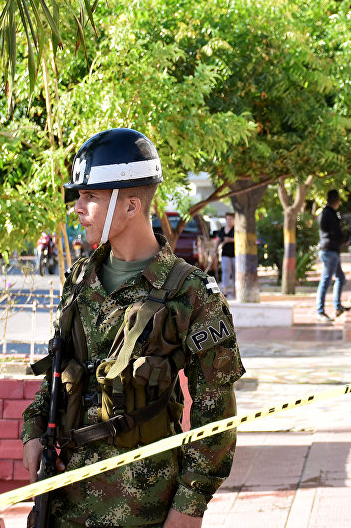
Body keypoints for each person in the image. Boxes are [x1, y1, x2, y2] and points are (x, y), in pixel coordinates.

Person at [21, 128, 245, 528]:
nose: (77, 207)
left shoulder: (190, 292)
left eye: (90, 197)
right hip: (64, 501)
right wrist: (33, 428)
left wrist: (189, 505)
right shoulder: (80, 278)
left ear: (130, 206)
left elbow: (217, 412)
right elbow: (60, 366)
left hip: (144, 506)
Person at [315, 189, 350, 322]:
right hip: (329, 250)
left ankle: (337, 306)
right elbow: (333, 232)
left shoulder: (329, 213)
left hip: (332, 250)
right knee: (326, 280)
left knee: (340, 277)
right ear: (336, 201)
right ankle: (320, 311)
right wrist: (343, 238)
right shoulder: (328, 214)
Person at [216, 212, 235, 298]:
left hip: (235, 254)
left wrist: (230, 240)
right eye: (227, 219)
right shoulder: (222, 230)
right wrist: (214, 250)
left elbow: (239, 239)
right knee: (225, 271)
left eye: (231, 219)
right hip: (225, 254)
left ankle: (235, 290)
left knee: (235, 272)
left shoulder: (236, 229)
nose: (229, 221)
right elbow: (218, 240)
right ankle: (225, 290)